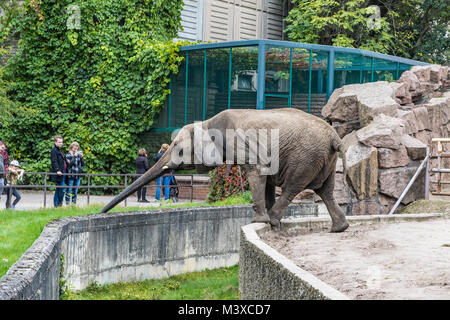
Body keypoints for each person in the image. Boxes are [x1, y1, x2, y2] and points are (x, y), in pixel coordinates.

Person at [50, 135, 67, 207]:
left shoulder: (59, 150)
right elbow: (54, 161)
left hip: (63, 173)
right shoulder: (54, 150)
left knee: (60, 189)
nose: (61, 143)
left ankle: (58, 204)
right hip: (59, 173)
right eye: (59, 142)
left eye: (62, 142)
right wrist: (57, 170)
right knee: (60, 189)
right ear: (55, 142)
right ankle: (57, 204)